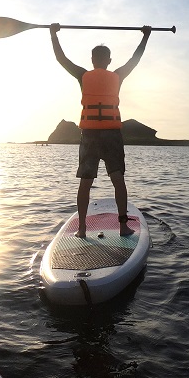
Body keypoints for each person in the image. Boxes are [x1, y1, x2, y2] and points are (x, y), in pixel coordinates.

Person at [50, 23, 152, 238]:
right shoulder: (118, 75)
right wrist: (146, 35)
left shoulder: (82, 75)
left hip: (90, 136)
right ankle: (123, 226)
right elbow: (135, 59)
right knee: (118, 180)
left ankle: (82, 229)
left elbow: (61, 58)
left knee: (85, 183)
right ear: (109, 61)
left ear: (92, 60)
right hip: (112, 136)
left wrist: (53, 34)